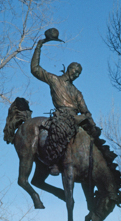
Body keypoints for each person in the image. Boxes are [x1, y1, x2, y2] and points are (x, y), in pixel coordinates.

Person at [31, 36, 100, 175]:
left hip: (76, 117)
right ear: (70, 69)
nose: (76, 75)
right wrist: (39, 47)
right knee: (61, 129)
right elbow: (35, 69)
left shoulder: (77, 92)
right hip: (62, 116)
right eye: (75, 71)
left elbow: (85, 110)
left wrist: (92, 124)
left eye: (79, 74)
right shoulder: (54, 80)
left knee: (94, 136)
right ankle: (54, 161)